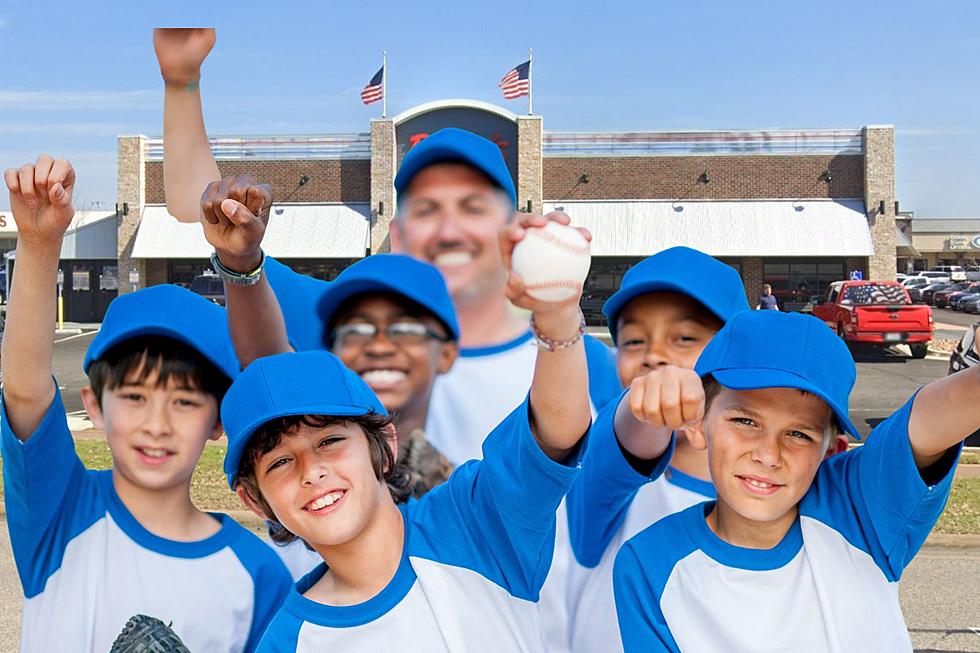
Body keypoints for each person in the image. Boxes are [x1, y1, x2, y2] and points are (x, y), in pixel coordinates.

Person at [221, 211, 594, 651]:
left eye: (330, 441)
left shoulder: (473, 523)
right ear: (254, 500)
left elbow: (553, 433)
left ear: (384, 447)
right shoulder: (287, 641)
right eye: (280, 461)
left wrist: (557, 318)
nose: (312, 472)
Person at [0, 156, 291, 652]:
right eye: (135, 396)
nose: (156, 423)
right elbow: (25, 388)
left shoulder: (259, 574)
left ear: (218, 420)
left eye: (183, 401)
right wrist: (39, 243)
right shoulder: (61, 512)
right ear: (93, 405)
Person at [612, 311, 975, 652]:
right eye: (745, 422)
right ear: (697, 423)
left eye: (799, 434)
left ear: (831, 449)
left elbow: (938, 414)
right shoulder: (648, 563)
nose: (768, 455)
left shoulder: (859, 508)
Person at [563, 246, 749, 653]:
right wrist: (642, 407)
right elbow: (617, 450)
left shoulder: (787, 493)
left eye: (684, 337)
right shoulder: (608, 492)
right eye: (633, 340)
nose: (654, 356)